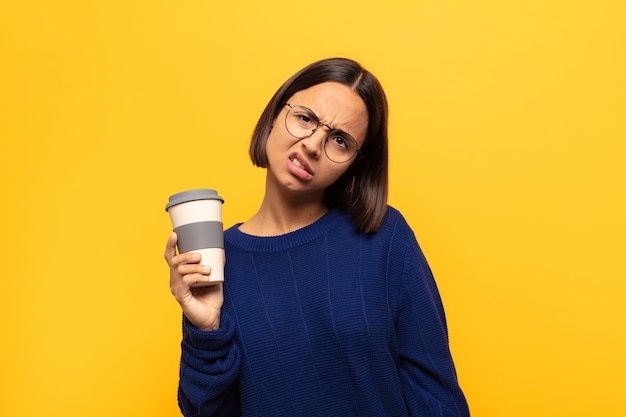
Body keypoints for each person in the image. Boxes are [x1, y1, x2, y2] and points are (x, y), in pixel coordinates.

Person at [164, 57, 470, 416]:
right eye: (305, 118)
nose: (311, 145)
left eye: (339, 140)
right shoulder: (217, 261)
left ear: (355, 162)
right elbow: (208, 411)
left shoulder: (384, 239)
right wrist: (206, 328)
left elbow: (437, 399)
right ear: (277, 114)